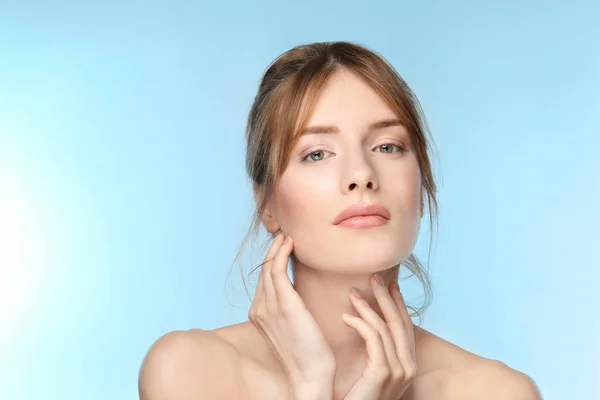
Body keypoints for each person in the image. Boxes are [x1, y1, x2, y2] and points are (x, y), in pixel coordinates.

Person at [138, 41, 542, 399]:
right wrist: (314, 385)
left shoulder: (497, 392)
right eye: (317, 153)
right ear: (268, 205)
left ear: (421, 190)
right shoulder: (191, 373)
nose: (361, 174)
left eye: (388, 146)